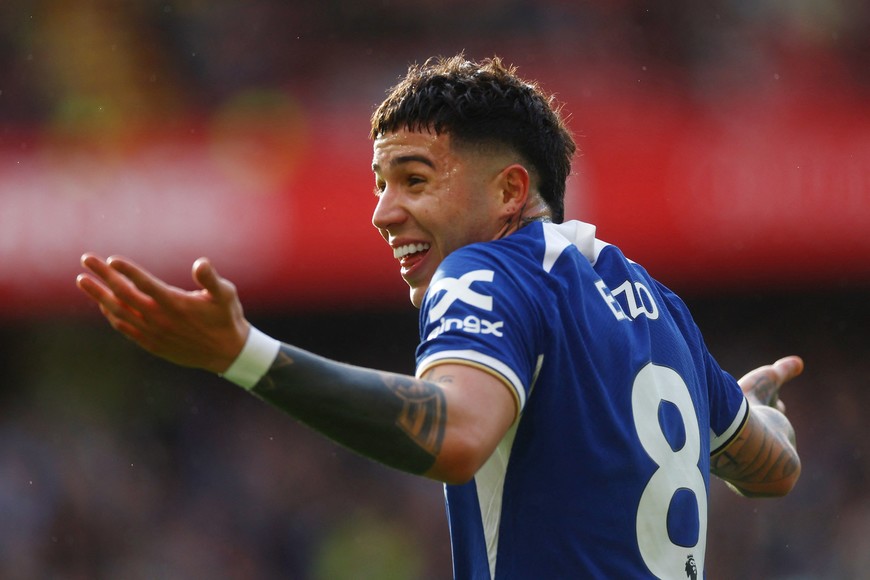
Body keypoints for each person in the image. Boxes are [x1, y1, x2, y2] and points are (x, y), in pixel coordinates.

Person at [76, 54, 802, 578]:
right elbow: (772, 470)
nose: (383, 213)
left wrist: (243, 356)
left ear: (510, 190)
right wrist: (755, 407)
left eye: (414, 180)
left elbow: (455, 434)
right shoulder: (661, 310)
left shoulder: (486, 270)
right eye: (379, 184)